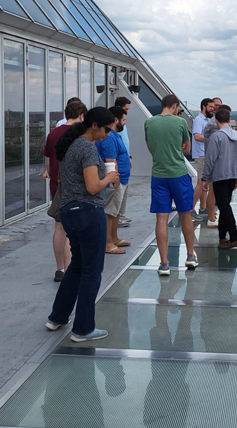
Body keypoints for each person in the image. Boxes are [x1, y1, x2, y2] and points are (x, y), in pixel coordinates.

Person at [46, 107, 119, 342]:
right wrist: (108, 178)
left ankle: (57, 317)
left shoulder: (71, 144)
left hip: (69, 211)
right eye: (107, 129)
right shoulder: (87, 148)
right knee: (91, 271)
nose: (108, 134)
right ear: (95, 125)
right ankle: (83, 328)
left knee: (77, 266)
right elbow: (92, 187)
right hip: (88, 211)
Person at [145, 94, 198, 276]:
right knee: (185, 215)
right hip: (178, 174)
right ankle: (190, 255)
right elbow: (188, 149)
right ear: (175, 106)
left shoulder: (149, 123)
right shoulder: (180, 123)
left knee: (161, 218)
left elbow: (150, 147)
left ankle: (164, 263)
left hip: (158, 175)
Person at [43, 100, 88, 281]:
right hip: (74, 187)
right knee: (72, 230)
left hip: (56, 185)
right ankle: (71, 270)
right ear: (81, 115)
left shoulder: (53, 134)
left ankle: (59, 269)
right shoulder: (79, 135)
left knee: (59, 227)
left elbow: (48, 161)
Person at [202, 108, 237, 249]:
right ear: (229, 120)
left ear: (216, 120)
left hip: (219, 176)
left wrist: (205, 178)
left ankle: (234, 237)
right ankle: (222, 238)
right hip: (233, 174)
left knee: (224, 206)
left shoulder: (216, 137)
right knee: (224, 206)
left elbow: (210, 159)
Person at [96, 106, 131, 254]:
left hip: (122, 179)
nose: (124, 123)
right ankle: (107, 243)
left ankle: (114, 238)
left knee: (116, 212)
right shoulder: (109, 138)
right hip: (115, 180)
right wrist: (115, 179)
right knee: (109, 212)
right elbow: (110, 161)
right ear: (115, 120)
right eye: (123, 120)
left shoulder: (115, 135)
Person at [203, 104, 231, 227]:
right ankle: (211, 218)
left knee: (214, 191)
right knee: (213, 191)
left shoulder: (211, 124)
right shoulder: (214, 126)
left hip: (214, 159)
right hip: (216, 161)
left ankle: (215, 217)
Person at [191, 98, 214, 221]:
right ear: (204, 107)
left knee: (206, 183)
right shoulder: (198, 120)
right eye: (210, 107)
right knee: (200, 183)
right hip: (201, 155)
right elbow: (197, 136)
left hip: (206, 154)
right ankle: (191, 209)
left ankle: (203, 208)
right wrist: (212, 139)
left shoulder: (207, 120)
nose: (212, 109)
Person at [115, 96, 132, 227]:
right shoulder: (114, 130)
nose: (127, 112)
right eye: (125, 110)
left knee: (124, 191)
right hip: (119, 164)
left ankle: (120, 214)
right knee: (118, 192)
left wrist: (129, 157)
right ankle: (116, 217)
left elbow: (125, 141)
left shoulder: (123, 124)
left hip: (125, 159)